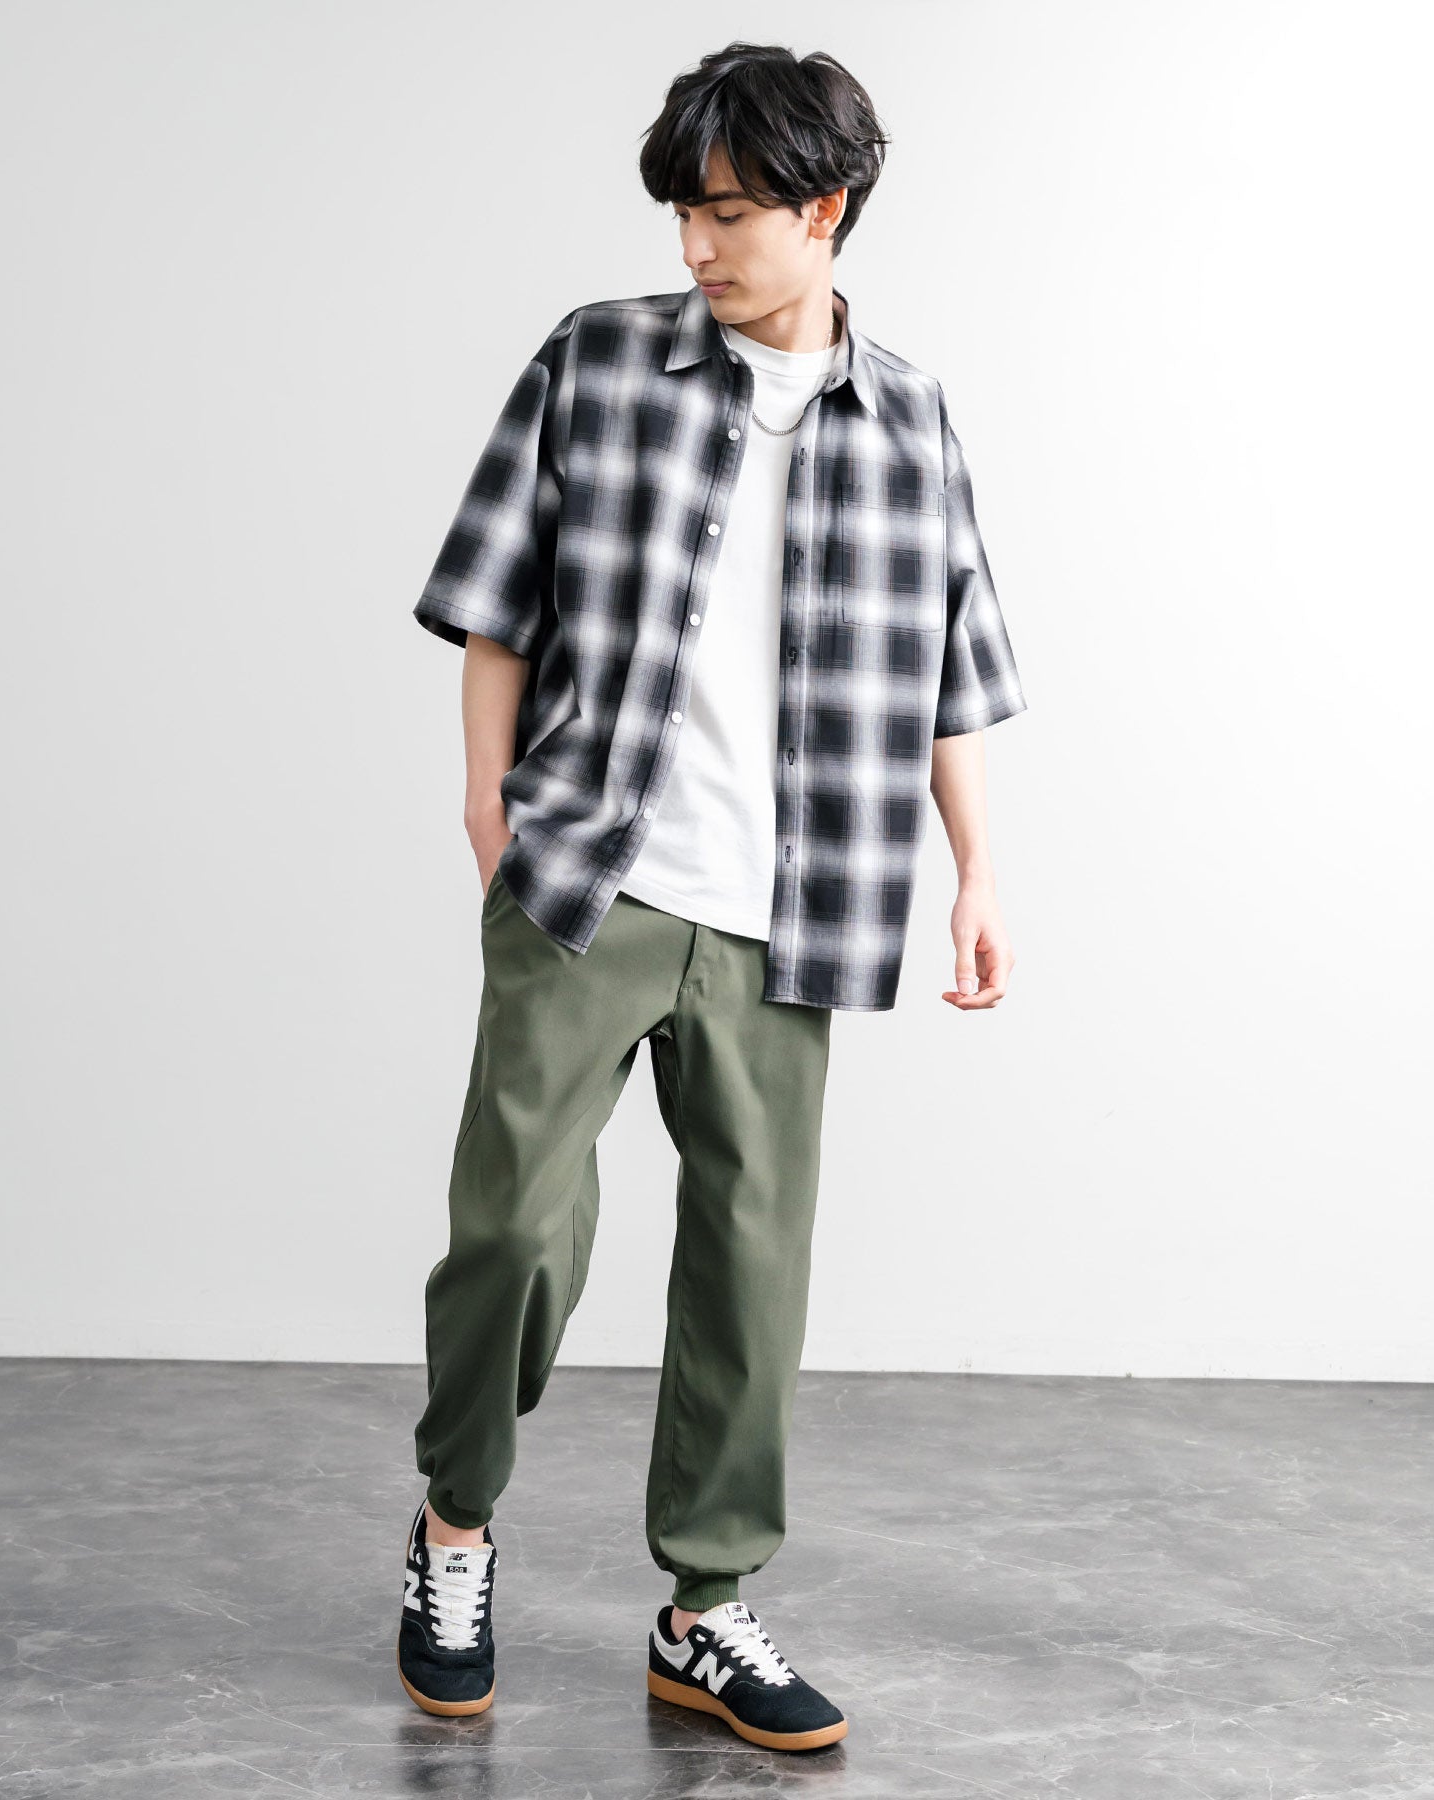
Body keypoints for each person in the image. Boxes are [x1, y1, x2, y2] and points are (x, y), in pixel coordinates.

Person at [395, 40, 1027, 1754]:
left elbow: (955, 669)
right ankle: (455, 1530)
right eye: (684, 209)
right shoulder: (596, 362)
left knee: (751, 1272)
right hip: (590, 877)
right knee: (515, 1229)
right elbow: (498, 600)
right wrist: (485, 799)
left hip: (792, 906)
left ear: (828, 210)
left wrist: (978, 871)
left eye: (732, 211)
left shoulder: (912, 419)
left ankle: (707, 1609)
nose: (697, 244)